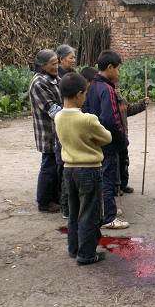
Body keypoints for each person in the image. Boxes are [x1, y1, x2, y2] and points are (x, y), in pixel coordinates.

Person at [55, 73, 112, 265]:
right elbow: (107, 138)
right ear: (79, 94)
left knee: (74, 211)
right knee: (89, 213)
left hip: (69, 170)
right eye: (85, 93)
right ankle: (86, 254)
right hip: (89, 169)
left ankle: (74, 248)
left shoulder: (58, 117)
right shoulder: (88, 119)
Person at [83, 50, 129, 230]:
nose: (118, 72)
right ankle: (109, 217)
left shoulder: (93, 86)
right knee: (109, 178)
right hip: (108, 143)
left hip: (97, 140)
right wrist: (120, 138)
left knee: (103, 178)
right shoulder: (107, 88)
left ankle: (106, 209)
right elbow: (111, 119)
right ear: (109, 67)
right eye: (117, 68)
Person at [29, 49, 62, 213]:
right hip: (48, 132)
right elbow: (52, 109)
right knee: (48, 166)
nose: (56, 66)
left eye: (57, 63)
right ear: (42, 65)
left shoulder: (54, 79)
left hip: (58, 131)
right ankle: (44, 201)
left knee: (55, 165)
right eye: (53, 64)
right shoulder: (39, 83)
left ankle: (54, 198)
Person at [54, 45, 77, 218]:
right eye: (70, 58)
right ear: (61, 59)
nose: (73, 61)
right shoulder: (58, 79)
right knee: (64, 167)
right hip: (64, 122)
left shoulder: (73, 74)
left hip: (74, 119)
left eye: (74, 57)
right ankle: (64, 206)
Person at [114, 78, 149, 194]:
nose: (116, 90)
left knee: (124, 162)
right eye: (114, 88)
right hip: (113, 140)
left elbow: (131, 109)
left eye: (118, 87)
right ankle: (115, 187)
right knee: (114, 164)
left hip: (123, 138)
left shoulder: (122, 102)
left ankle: (124, 184)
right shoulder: (108, 103)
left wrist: (142, 104)